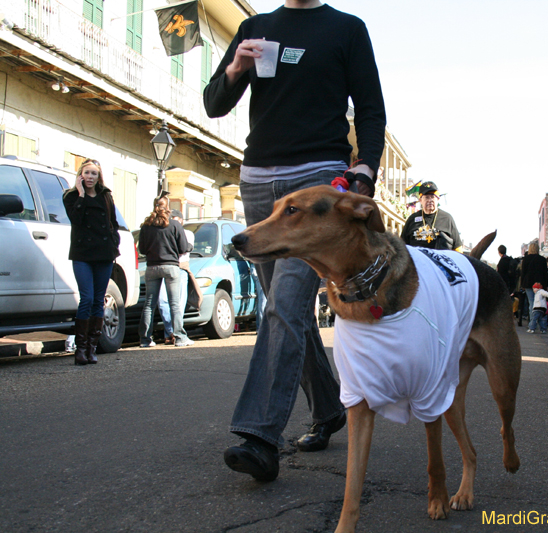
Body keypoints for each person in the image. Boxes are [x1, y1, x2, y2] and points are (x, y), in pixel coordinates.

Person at [203, 0, 385, 481]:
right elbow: (214, 103)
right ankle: (328, 407)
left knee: (284, 304)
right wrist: (237, 67)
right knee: (286, 310)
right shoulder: (254, 28)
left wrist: (365, 165)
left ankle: (260, 435)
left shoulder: (346, 29)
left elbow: (370, 107)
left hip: (319, 178)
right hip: (258, 182)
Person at [62, 159, 120, 365]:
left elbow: (113, 222)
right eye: (86, 173)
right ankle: (81, 348)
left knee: (98, 300)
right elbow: (75, 219)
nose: (89, 177)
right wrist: (80, 194)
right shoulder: (70, 196)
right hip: (82, 254)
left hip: (103, 254)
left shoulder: (106, 196)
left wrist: (115, 242)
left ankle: (92, 348)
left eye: (93, 174)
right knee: (86, 298)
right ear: (80, 174)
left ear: (99, 177)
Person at [138, 195, 193, 348]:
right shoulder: (174, 224)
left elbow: (142, 249)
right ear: (167, 207)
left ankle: (145, 339)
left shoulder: (146, 226)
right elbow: (183, 248)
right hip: (171, 267)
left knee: (149, 304)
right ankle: (180, 337)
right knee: (174, 303)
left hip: (151, 267)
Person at [157, 210, 194, 345]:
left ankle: (176, 334)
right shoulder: (164, 232)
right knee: (162, 302)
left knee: (178, 304)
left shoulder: (188, 233)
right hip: (165, 267)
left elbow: (185, 248)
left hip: (181, 268)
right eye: (171, 219)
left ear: (181, 221)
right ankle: (170, 331)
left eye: (176, 220)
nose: (174, 222)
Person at [401, 181, 463, 251]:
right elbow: (402, 246)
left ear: (438, 199)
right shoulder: (412, 219)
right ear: (420, 200)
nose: (430, 200)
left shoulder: (447, 218)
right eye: (426, 197)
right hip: (417, 260)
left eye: (433, 197)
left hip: (440, 260)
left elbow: (458, 248)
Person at [520, 242, 548, 332]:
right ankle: (541, 325)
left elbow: (523, 273)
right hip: (540, 284)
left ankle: (532, 325)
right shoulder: (543, 260)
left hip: (528, 283)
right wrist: (546, 285)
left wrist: (522, 284)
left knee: (531, 303)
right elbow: (545, 274)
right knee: (540, 304)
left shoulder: (526, 259)